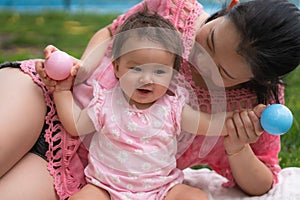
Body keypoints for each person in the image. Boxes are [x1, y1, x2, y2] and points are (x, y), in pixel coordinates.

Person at [0, 0, 299, 199]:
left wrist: (237, 146)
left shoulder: (252, 105)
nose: (200, 60)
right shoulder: (174, 9)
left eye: (220, 70)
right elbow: (111, 32)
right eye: (209, 40)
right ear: (231, 6)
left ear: (257, 80)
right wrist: (80, 71)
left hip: (79, 171)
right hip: (47, 96)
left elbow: (264, 182)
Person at [48, 11, 228, 199]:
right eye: (135, 68)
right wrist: (62, 90)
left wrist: (239, 121)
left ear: (173, 75)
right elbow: (75, 124)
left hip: (161, 190)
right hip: (106, 188)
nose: (146, 79)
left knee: (195, 197)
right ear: (117, 68)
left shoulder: (174, 108)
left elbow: (209, 124)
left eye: (159, 71)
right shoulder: (106, 102)